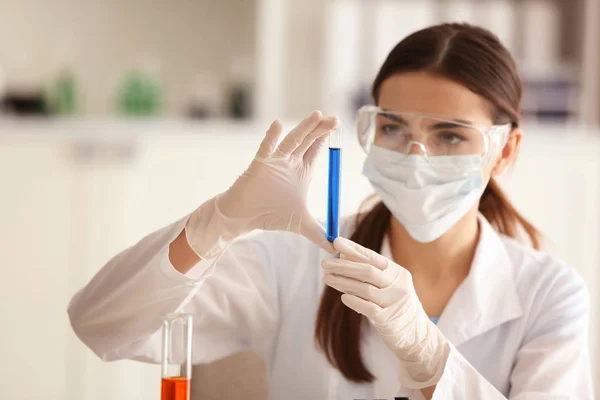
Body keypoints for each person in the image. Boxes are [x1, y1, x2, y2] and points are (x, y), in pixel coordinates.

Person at [68, 23, 593, 399]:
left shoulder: (548, 295)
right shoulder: (295, 263)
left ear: (505, 150)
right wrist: (218, 222)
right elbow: (102, 325)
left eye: (450, 134)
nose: (415, 154)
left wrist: (428, 355)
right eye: (393, 128)